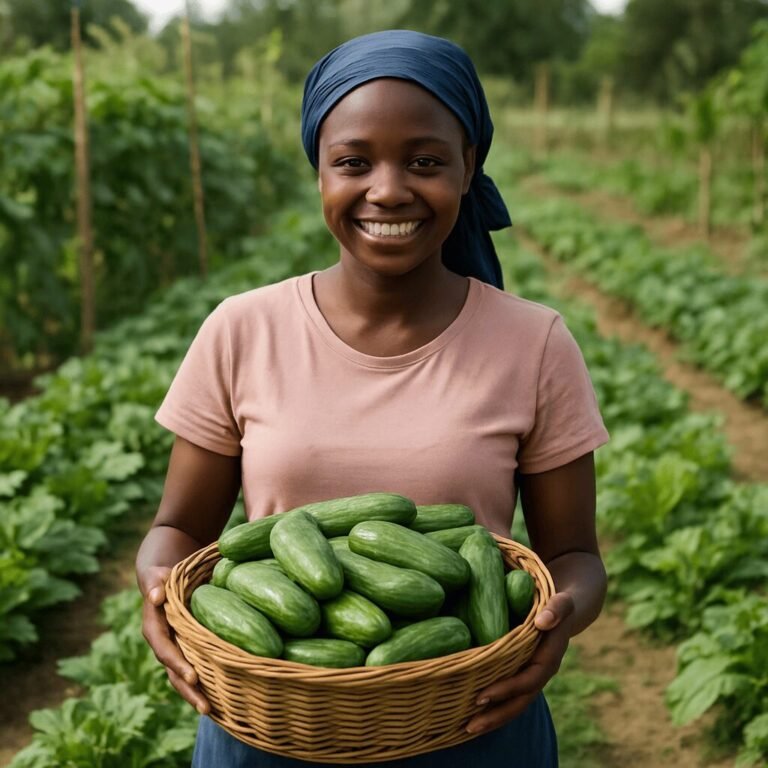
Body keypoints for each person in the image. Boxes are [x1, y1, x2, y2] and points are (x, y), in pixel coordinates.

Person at [136, 29, 609, 768]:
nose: (387, 189)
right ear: (319, 173)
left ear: (468, 166)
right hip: (274, 725)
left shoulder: (535, 342)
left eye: (424, 161)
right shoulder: (241, 329)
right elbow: (176, 531)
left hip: (469, 720)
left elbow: (574, 554)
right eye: (353, 162)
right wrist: (160, 592)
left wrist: (557, 621)